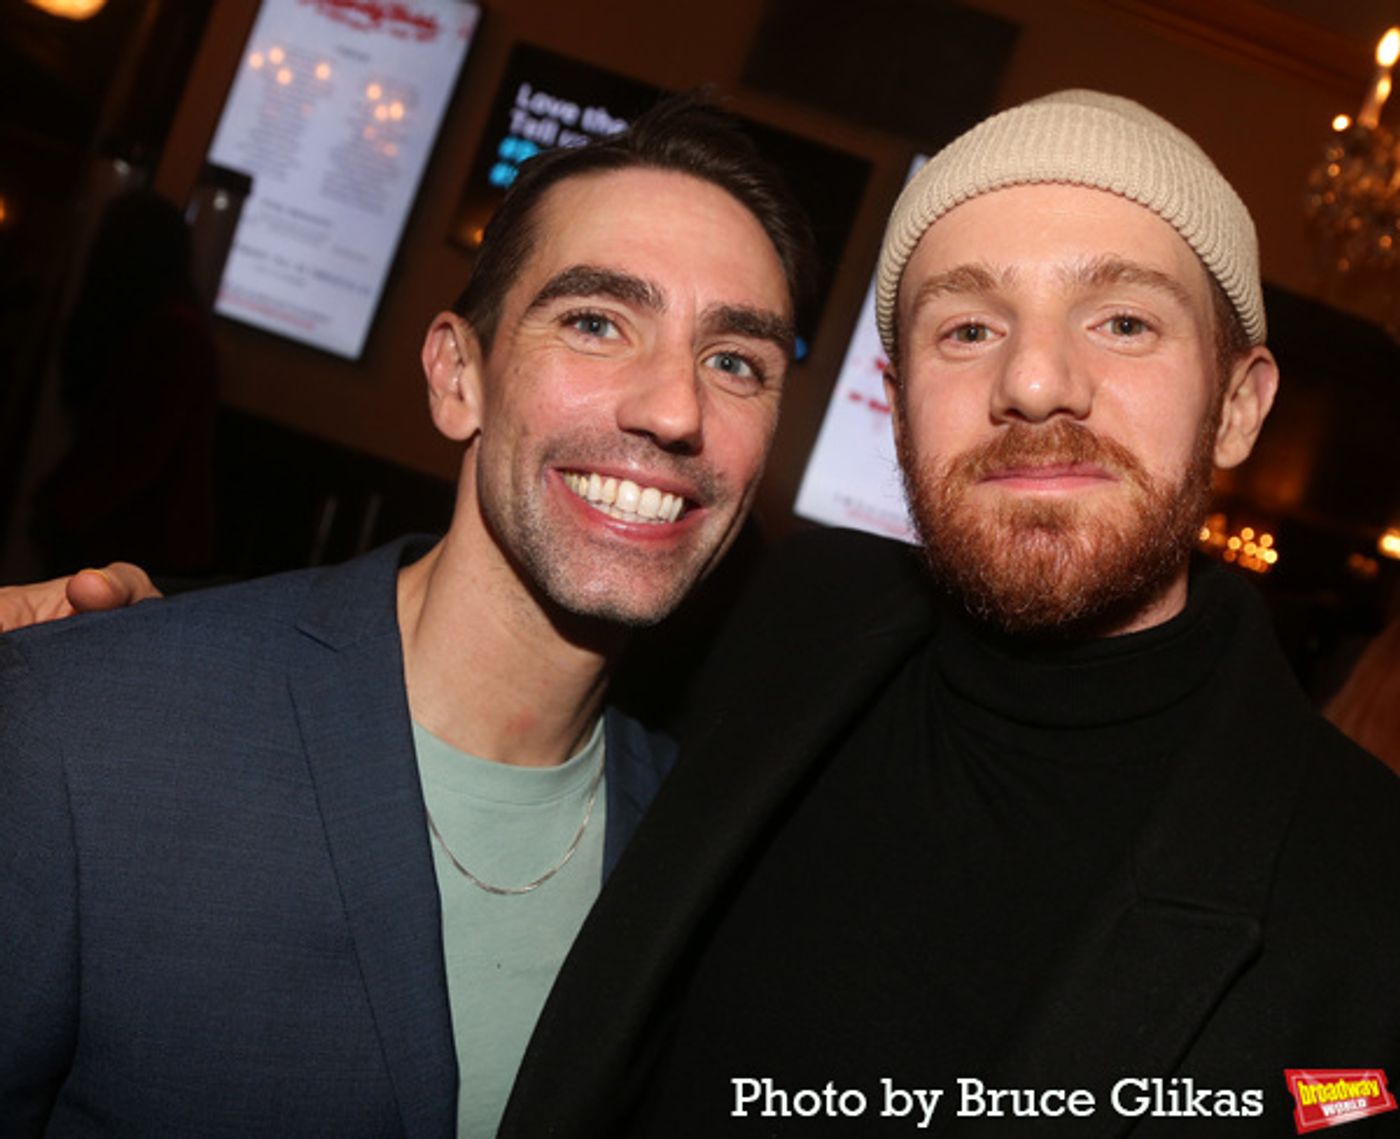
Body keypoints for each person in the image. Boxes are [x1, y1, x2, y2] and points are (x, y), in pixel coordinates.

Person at [500, 91, 1400, 1136]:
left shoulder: (1367, 901)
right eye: (967, 326)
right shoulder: (763, 621)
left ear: (1236, 405)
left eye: (1121, 320)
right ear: (895, 396)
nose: (1031, 380)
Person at [0, 95, 814, 1138]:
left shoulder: (702, 852)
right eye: (595, 321)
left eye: (734, 360)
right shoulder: (91, 725)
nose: (672, 408)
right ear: (456, 376)